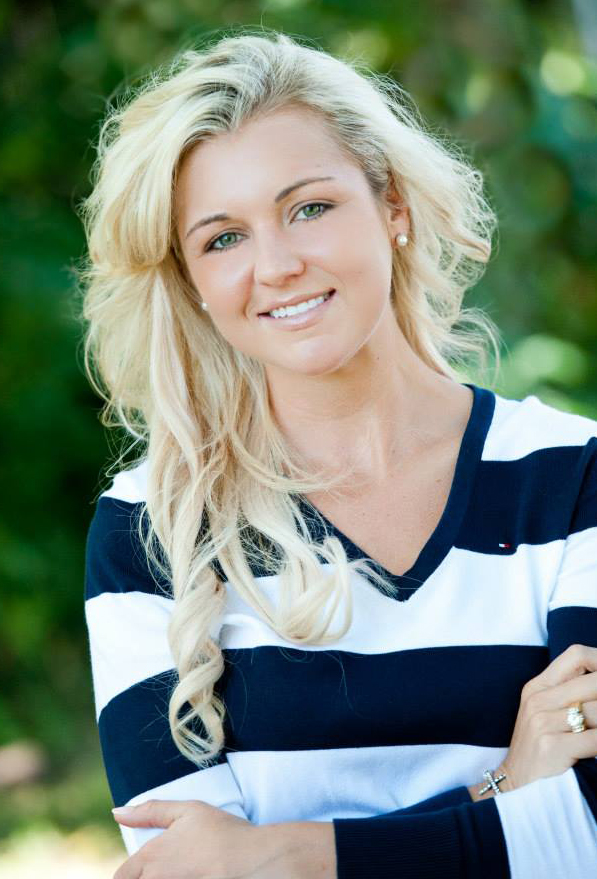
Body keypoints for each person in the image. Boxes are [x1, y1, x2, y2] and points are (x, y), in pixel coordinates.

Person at [79, 28, 597, 879]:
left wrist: (283, 853)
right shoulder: (151, 526)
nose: (277, 264)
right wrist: (503, 788)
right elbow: (193, 870)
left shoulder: (573, 475)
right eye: (222, 238)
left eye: (309, 208)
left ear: (392, 206)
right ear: (193, 284)